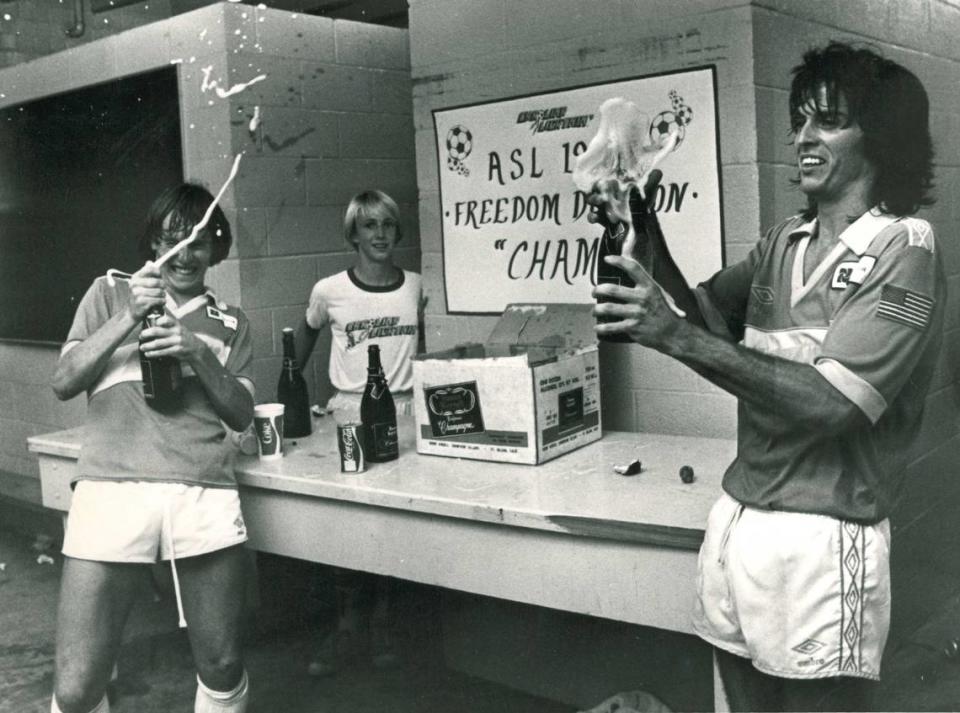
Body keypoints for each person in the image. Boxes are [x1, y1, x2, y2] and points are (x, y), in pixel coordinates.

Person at [589, 41, 942, 712]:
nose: (803, 137)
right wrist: (648, 228)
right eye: (800, 119)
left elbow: (833, 402)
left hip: (823, 535)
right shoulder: (784, 240)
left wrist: (673, 337)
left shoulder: (903, 249)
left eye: (828, 121)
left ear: (881, 138)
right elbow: (706, 320)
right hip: (740, 519)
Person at [50, 184, 255, 713]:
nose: (184, 256)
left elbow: (240, 412)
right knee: (75, 689)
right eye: (172, 241)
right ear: (153, 243)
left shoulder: (232, 322)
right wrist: (127, 317)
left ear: (215, 249)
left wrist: (195, 352)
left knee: (223, 664)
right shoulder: (110, 291)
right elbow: (64, 380)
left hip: (201, 487)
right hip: (110, 487)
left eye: (198, 243)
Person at [294, 189, 423, 676]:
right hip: (349, 412)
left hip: (405, 412)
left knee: (394, 523)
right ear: (354, 234)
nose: (381, 234)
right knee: (348, 523)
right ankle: (347, 626)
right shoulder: (329, 290)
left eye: (388, 225)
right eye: (369, 226)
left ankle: (385, 624)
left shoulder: (417, 286)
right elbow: (300, 345)